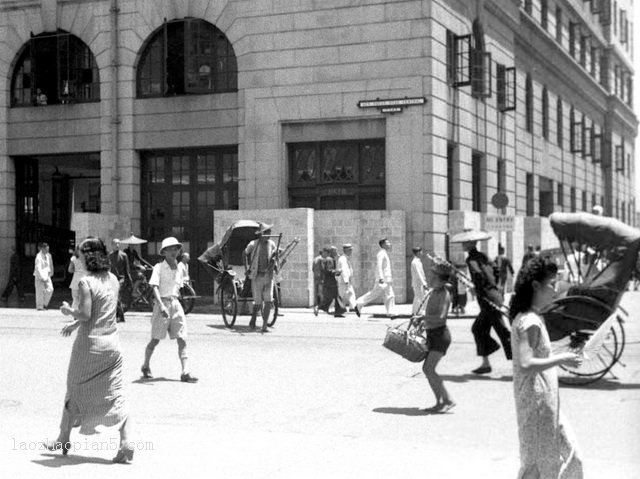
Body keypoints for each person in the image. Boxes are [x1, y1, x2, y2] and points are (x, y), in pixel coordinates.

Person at [44, 237, 133, 463]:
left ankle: (63, 437)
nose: (78, 257)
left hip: (89, 346)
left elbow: (85, 313)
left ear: (88, 256)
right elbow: (103, 312)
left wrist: (69, 311)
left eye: (80, 253)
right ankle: (126, 441)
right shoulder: (113, 279)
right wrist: (76, 322)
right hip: (112, 346)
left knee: (74, 389)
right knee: (116, 394)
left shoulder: (86, 282)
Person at [509, 256, 584, 478]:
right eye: (551, 284)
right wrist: (562, 359)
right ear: (535, 286)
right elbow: (526, 363)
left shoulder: (532, 317)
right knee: (538, 467)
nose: (555, 289)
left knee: (570, 458)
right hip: (537, 404)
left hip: (546, 403)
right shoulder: (529, 321)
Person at [141, 237, 198, 383]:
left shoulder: (180, 267)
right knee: (155, 339)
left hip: (175, 304)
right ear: (164, 252)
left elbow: (179, 287)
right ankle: (145, 366)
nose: (174, 252)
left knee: (182, 338)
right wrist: (160, 305)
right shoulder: (158, 267)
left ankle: (185, 372)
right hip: (162, 304)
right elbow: (154, 287)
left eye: (176, 249)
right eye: (171, 249)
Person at [462, 238, 512, 374]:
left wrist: (476, 287)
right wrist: (493, 287)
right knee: (478, 329)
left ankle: (521, 364)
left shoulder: (471, 259)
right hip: (494, 295)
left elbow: (477, 274)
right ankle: (486, 364)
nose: (462, 244)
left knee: (503, 332)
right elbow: (496, 270)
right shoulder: (484, 256)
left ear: (470, 243)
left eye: (464, 242)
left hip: (487, 300)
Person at [420, 261, 455, 413]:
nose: (430, 278)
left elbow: (441, 318)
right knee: (428, 369)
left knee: (429, 368)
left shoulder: (445, 295)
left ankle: (447, 400)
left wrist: (424, 319)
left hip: (441, 336)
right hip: (432, 334)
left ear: (441, 279)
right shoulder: (434, 292)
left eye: (433, 276)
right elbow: (431, 316)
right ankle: (441, 402)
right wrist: (423, 322)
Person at [243, 223, 277, 332]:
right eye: (267, 232)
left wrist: (276, 259)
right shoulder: (253, 244)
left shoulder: (271, 244)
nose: (269, 235)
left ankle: (264, 325)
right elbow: (244, 254)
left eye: (270, 232)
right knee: (258, 302)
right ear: (262, 234)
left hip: (268, 275)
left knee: (268, 300)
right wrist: (246, 268)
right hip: (257, 276)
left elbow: (276, 254)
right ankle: (253, 318)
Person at [355, 238, 395, 317]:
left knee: (389, 295)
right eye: (388, 242)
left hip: (386, 279)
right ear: (383, 245)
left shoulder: (384, 253)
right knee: (376, 294)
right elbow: (379, 266)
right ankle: (359, 303)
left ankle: (391, 312)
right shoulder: (381, 253)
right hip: (383, 279)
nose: (389, 244)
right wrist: (381, 277)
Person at [109, 239, 132, 323]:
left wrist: (129, 280)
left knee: (117, 296)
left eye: (118, 243)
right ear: (112, 245)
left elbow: (127, 268)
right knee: (114, 298)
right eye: (115, 243)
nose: (117, 245)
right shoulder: (110, 256)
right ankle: (118, 316)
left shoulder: (124, 255)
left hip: (121, 279)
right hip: (112, 279)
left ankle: (120, 316)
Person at [319, 246, 346, 317]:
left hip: (330, 282)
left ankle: (337, 311)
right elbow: (328, 270)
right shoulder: (329, 260)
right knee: (335, 297)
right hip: (330, 282)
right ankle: (321, 308)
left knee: (332, 297)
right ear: (332, 252)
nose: (336, 253)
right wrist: (337, 271)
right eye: (335, 251)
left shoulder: (331, 259)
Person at [336, 244, 360, 317]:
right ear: (346, 250)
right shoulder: (343, 259)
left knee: (350, 294)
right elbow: (344, 270)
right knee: (341, 296)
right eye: (350, 250)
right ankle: (338, 311)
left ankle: (353, 307)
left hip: (346, 281)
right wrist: (346, 281)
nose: (351, 251)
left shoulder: (346, 258)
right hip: (343, 281)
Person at [34, 242, 54, 310]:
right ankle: (40, 306)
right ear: (42, 249)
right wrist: (42, 276)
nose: (47, 251)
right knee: (39, 291)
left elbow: (49, 265)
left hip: (47, 275)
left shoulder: (48, 256)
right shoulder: (38, 256)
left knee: (50, 289)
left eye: (48, 249)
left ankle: (44, 304)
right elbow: (38, 267)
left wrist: (50, 273)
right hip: (40, 276)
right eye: (46, 249)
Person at [410, 247, 428, 315]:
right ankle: (416, 311)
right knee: (418, 297)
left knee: (421, 297)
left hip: (420, 282)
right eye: (420, 252)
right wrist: (424, 283)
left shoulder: (417, 261)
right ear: (417, 252)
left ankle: (416, 311)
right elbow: (418, 273)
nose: (421, 253)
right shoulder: (415, 262)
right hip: (418, 283)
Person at [312, 250, 325, 316]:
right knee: (321, 292)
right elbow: (322, 268)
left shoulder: (315, 259)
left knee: (316, 292)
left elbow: (313, 269)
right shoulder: (321, 259)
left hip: (315, 277)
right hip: (321, 278)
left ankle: (316, 306)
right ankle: (321, 306)